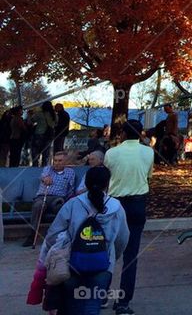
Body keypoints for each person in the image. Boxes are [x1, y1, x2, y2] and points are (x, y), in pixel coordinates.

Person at [40, 166, 129, 315]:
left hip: (72, 264)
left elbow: (52, 235)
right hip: (103, 266)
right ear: (107, 184)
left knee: (70, 305)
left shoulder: (73, 204)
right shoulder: (116, 207)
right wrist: (112, 257)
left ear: (85, 183)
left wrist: (54, 254)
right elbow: (122, 239)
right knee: (92, 306)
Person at [103, 119, 154, 315]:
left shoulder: (112, 153)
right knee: (131, 256)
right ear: (141, 133)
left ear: (122, 133)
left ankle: (102, 293)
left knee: (109, 252)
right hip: (138, 203)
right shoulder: (148, 152)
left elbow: (108, 175)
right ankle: (123, 302)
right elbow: (148, 177)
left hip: (116, 204)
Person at [23, 150, 76, 247]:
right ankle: (32, 235)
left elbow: (70, 189)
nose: (57, 163)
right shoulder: (48, 169)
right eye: (55, 160)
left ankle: (57, 236)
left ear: (65, 162)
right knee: (38, 206)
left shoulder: (70, 172)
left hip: (58, 198)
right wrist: (45, 179)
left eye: (60, 161)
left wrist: (68, 200)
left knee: (61, 208)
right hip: (43, 196)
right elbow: (44, 177)